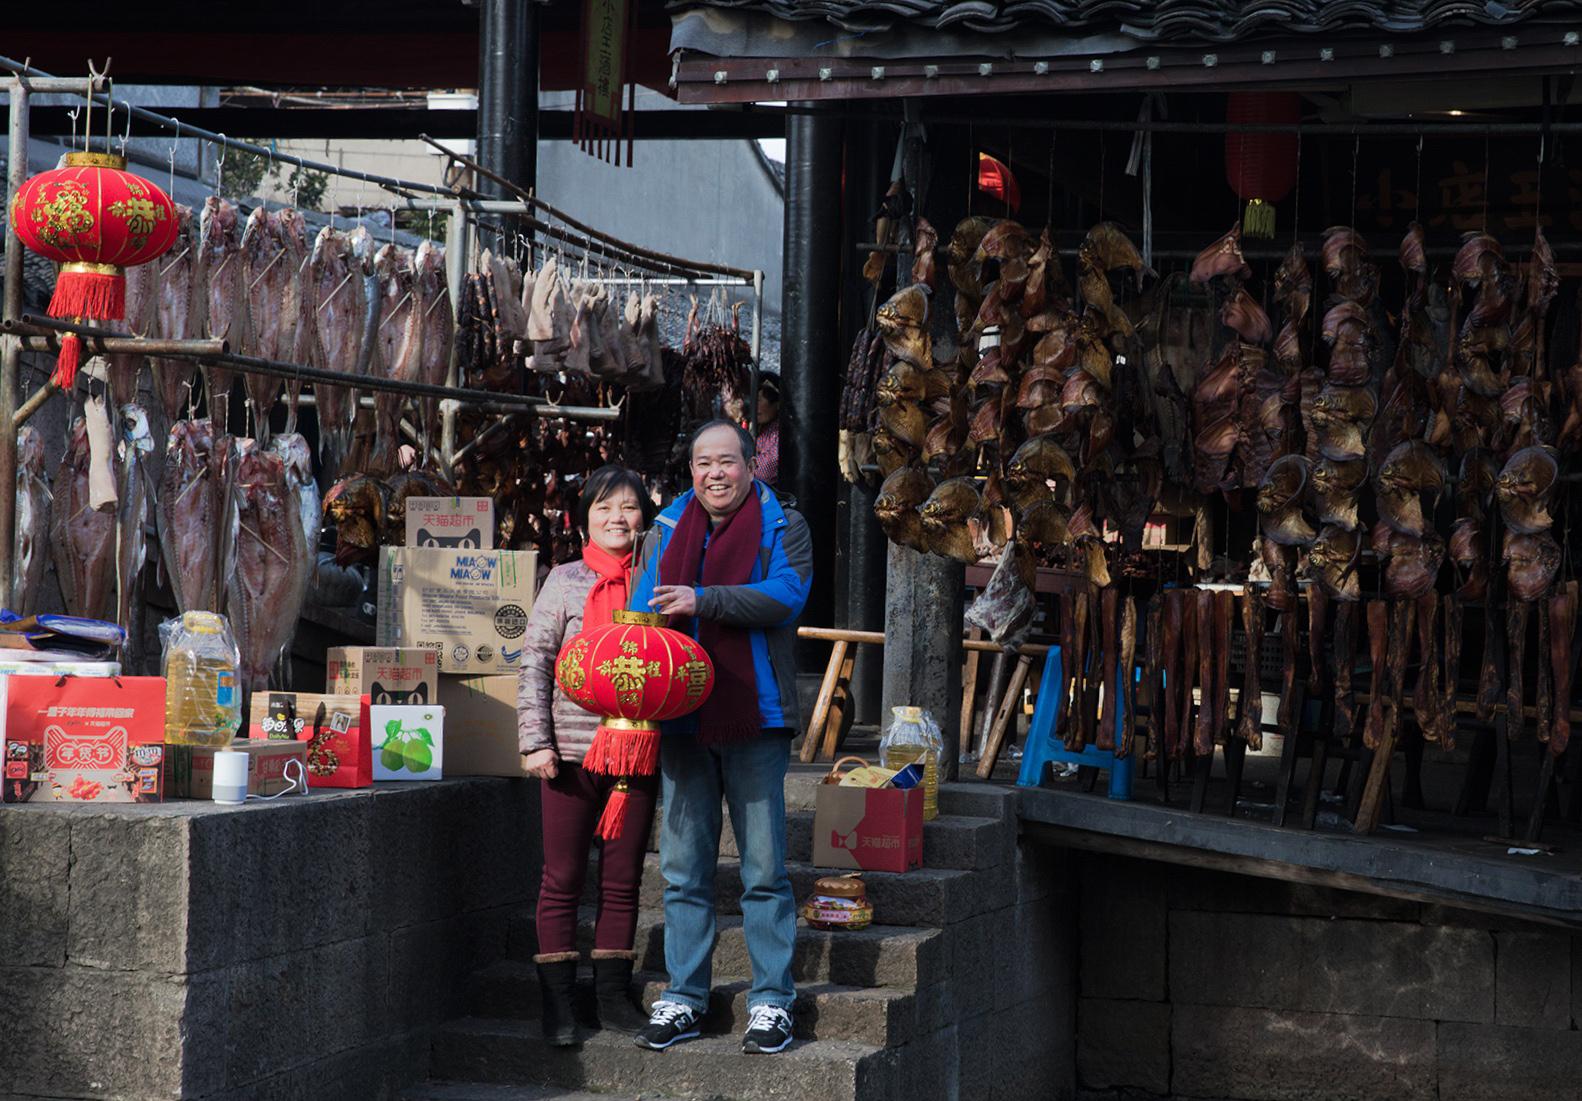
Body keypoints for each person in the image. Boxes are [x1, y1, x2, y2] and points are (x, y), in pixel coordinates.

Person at [628, 420, 812, 1055]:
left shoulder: (783, 522)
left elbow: (787, 596)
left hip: (754, 714)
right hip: (681, 716)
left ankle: (772, 1001)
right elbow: (643, 604)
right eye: (703, 463)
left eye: (727, 462)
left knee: (763, 868)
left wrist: (703, 600)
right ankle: (684, 996)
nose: (714, 474)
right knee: (682, 870)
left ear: (750, 464)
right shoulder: (669, 525)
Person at [517, 464, 658, 1046]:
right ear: (585, 520)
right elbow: (534, 663)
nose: (617, 518)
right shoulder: (565, 581)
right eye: (604, 508)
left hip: (637, 755)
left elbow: (672, 665)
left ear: (643, 517)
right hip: (570, 756)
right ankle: (559, 1005)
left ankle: (611, 997)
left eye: (627, 507)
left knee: (623, 880)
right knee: (563, 877)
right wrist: (535, 742)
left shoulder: (657, 579)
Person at [754, 375, 781, 487]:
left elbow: (763, 473)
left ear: (777, 404)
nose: (755, 405)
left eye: (759, 400)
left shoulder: (779, 432)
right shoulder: (762, 428)